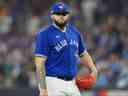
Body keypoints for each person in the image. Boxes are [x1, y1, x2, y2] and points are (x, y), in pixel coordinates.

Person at [34, 2, 97, 96]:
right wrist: (43, 89)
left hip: (72, 83)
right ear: (52, 16)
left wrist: (93, 69)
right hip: (53, 82)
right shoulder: (44, 34)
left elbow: (83, 54)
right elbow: (39, 64)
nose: (61, 16)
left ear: (68, 15)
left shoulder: (74, 32)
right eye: (58, 13)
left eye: (64, 13)